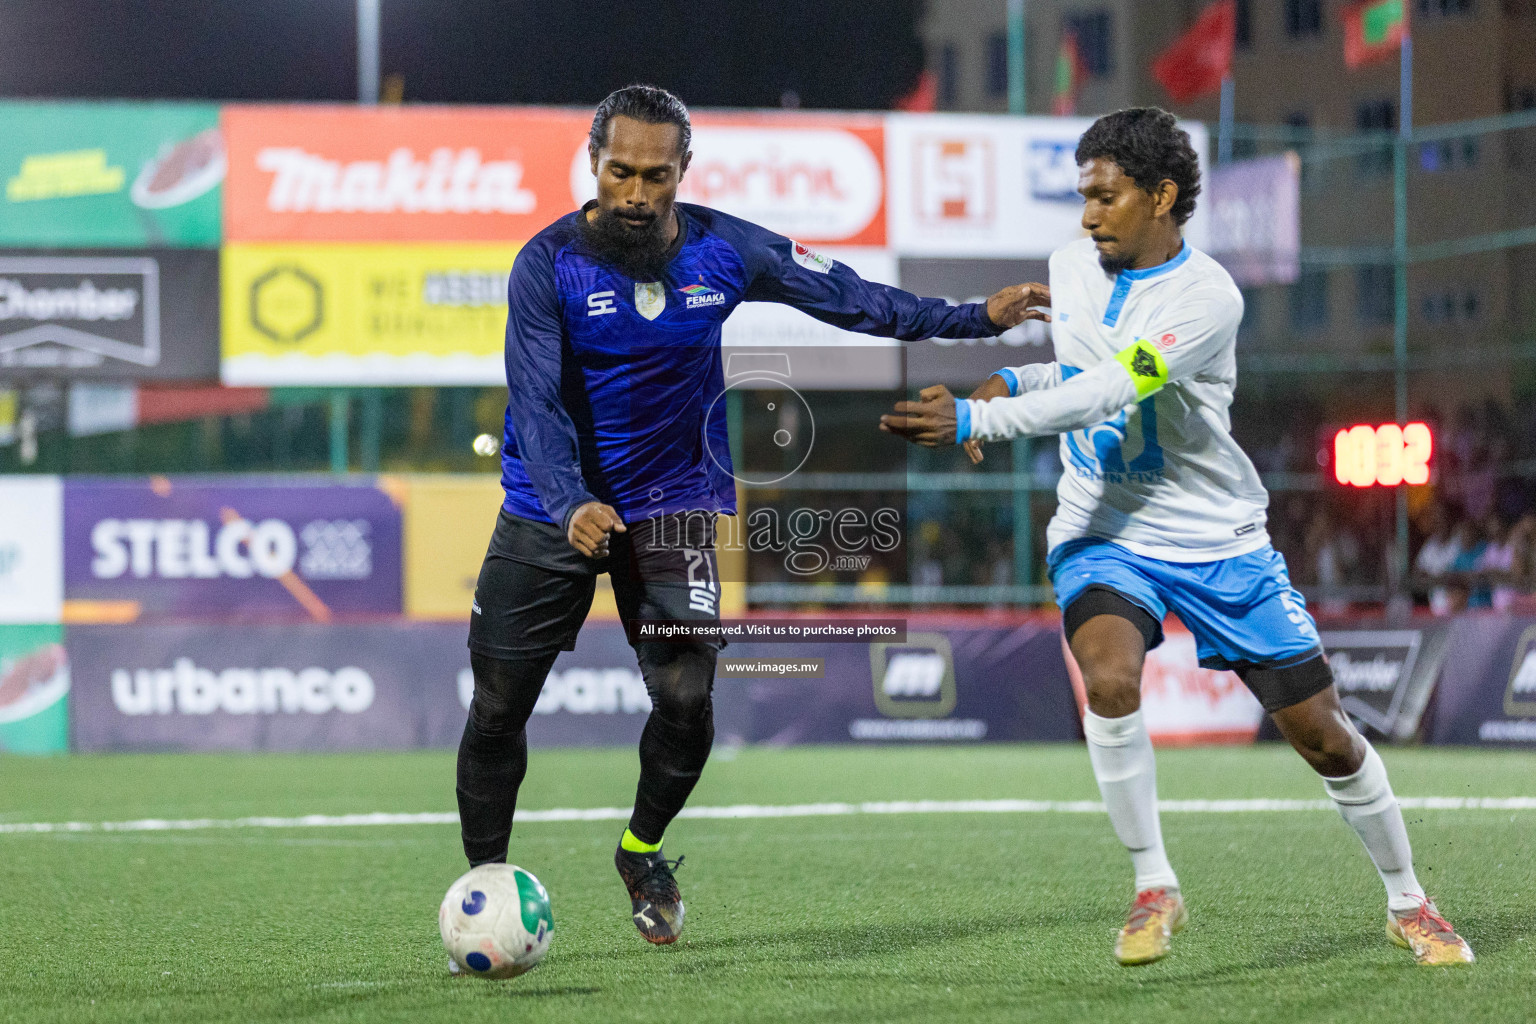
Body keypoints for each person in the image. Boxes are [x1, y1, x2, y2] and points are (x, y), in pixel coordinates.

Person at [880, 107, 1473, 967]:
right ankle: (1153, 885)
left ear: (1162, 196)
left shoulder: (1208, 298)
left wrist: (981, 414)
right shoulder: (1070, 268)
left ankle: (1409, 901)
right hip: (1101, 526)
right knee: (1111, 682)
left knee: (1325, 736)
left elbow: (1113, 391)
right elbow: (1076, 369)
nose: (1087, 215)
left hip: (1215, 536)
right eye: (1083, 196)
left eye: (1106, 196)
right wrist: (1007, 375)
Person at [460, 83, 1047, 950]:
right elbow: (537, 404)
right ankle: (487, 885)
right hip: (552, 506)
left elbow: (846, 295)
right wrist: (570, 498)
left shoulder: (724, 248)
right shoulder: (546, 264)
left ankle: (640, 850)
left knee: (690, 696)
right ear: (593, 164)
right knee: (501, 706)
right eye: (619, 170)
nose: (635, 192)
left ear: (682, 172)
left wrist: (972, 320)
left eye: (655, 175)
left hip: (676, 502)